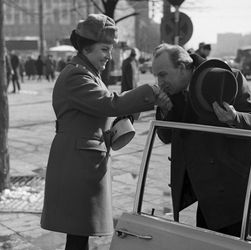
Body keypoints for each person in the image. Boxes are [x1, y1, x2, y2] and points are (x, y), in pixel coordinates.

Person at [40, 14, 172, 250]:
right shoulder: (76, 75)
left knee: (80, 232)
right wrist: (150, 92)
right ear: (87, 48)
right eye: (104, 49)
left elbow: (101, 114)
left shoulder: (88, 72)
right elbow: (109, 104)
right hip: (77, 162)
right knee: (78, 232)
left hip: (84, 160)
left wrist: (126, 118)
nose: (109, 56)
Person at [152, 43, 251, 237]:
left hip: (239, 195)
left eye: (162, 74)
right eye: (156, 76)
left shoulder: (227, 78)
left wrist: (235, 118)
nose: (159, 82)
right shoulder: (173, 91)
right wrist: (164, 111)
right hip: (206, 196)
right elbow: (165, 136)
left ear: (181, 68)